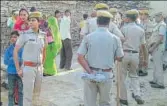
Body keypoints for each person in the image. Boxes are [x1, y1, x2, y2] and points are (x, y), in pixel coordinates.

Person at [77, 10, 124, 106]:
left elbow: (80, 57)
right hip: (107, 74)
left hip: (91, 74)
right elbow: (120, 57)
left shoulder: (88, 37)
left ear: (97, 22)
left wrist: (89, 71)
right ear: (109, 23)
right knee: (105, 103)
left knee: (89, 103)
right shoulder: (115, 39)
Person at [13, 11, 47, 106]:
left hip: (39, 69)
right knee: (28, 96)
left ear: (39, 22)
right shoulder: (24, 35)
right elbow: (15, 51)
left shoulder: (43, 35)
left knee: (37, 95)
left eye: (33, 20)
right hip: (28, 68)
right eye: (30, 20)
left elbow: (44, 50)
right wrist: (18, 69)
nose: (30, 22)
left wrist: (42, 65)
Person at [120, 9, 147, 105]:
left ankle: (123, 98)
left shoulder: (123, 28)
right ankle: (137, 94)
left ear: (128, 18)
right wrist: (144, 59)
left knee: (122, 76)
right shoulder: (141, 30)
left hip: (124, 54)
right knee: (134, 75)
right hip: (135, 54)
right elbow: (143, 46)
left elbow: (120, 42)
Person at [4, 31, 23, 106]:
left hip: (21, 73)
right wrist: (15, 59)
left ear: (19, 38)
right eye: (12, 37)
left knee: (21, 91)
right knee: (11, 92)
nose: (13, 38)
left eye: (15, 37)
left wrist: (12, 59)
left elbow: (23, 60)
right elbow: (5, 61)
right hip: (11, 73)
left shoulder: (22, 48)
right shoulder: (8, 49)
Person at [148, 12, 166, 89]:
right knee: (155, 65)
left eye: (157, 16)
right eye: (155, 16)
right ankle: (155, 80)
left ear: (161, 17)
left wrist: (153, 47)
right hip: (155, 47)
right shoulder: (158, 25)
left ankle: (160, 83)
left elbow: (160, 38)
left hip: (158, 47)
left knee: (158, 66)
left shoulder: (162, 26)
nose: (155, 18)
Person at [137, 9, 155, 76]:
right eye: (140, 14)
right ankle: (140, 68)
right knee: (140, 56)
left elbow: (148, 34)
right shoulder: (141, 22)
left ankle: (144, 70)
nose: (141, 16)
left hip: (146, 41)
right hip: (141, 41)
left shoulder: (149, 23)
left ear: (146, 15)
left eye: (142, 15)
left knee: (145, 56)